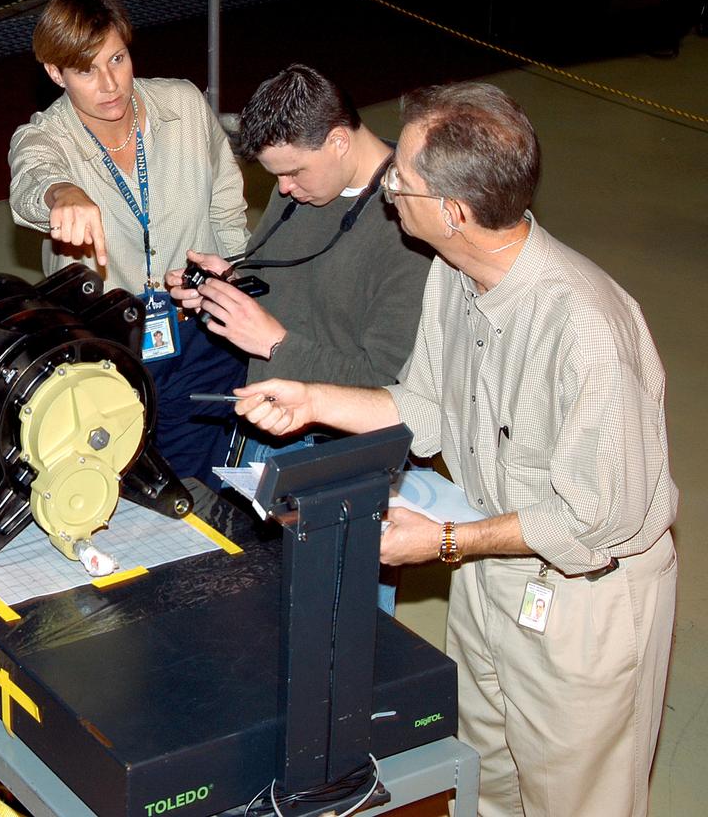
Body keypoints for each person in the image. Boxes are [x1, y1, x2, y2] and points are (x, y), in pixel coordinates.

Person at [235, 82, 676, 817]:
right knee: (486, 782)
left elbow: (592, 521)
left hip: (584, 599)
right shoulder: (455, 274)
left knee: (575, 798)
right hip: (491, 563)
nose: (388, 190)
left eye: (402, 178)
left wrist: (443, 543)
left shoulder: (587, 331)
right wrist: (312, 399)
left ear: (454, 211)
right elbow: (429, 411)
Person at [167, 64, 431, 613]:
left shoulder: (408, 227)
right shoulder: (309, 184)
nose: (283, 189)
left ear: (338, 140)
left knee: (341, 629)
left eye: (292, 174)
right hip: (272, 432)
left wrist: (274, 344)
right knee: (263, 615)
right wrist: (230, 286)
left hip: (339, 459)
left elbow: (393, 389)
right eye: (276, 176)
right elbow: (294, 282)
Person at [9, 0, 250, 485]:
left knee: (199, 483)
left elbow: (226, 206)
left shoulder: (183, 105)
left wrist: (236, 287)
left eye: (116, 59)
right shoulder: (45, 137)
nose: (110, 83)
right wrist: (61, 193)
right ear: (56, 74)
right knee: (111, 483)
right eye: (85, 70)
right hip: (106, 350)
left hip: (201, 333)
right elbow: (30, 176)